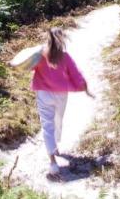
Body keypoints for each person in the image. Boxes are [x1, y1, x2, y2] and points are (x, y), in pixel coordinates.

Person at [31, 27, 94, 177]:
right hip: (60, 94)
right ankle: (55, 148)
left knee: (47, 125)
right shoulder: (65, 57)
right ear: (62, 40)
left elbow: (27, 65)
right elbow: (76, 74)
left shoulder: (40, 55)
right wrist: (85, 88)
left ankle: (53, 162)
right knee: (57, 121)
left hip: (43, 94)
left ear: (48, 39)